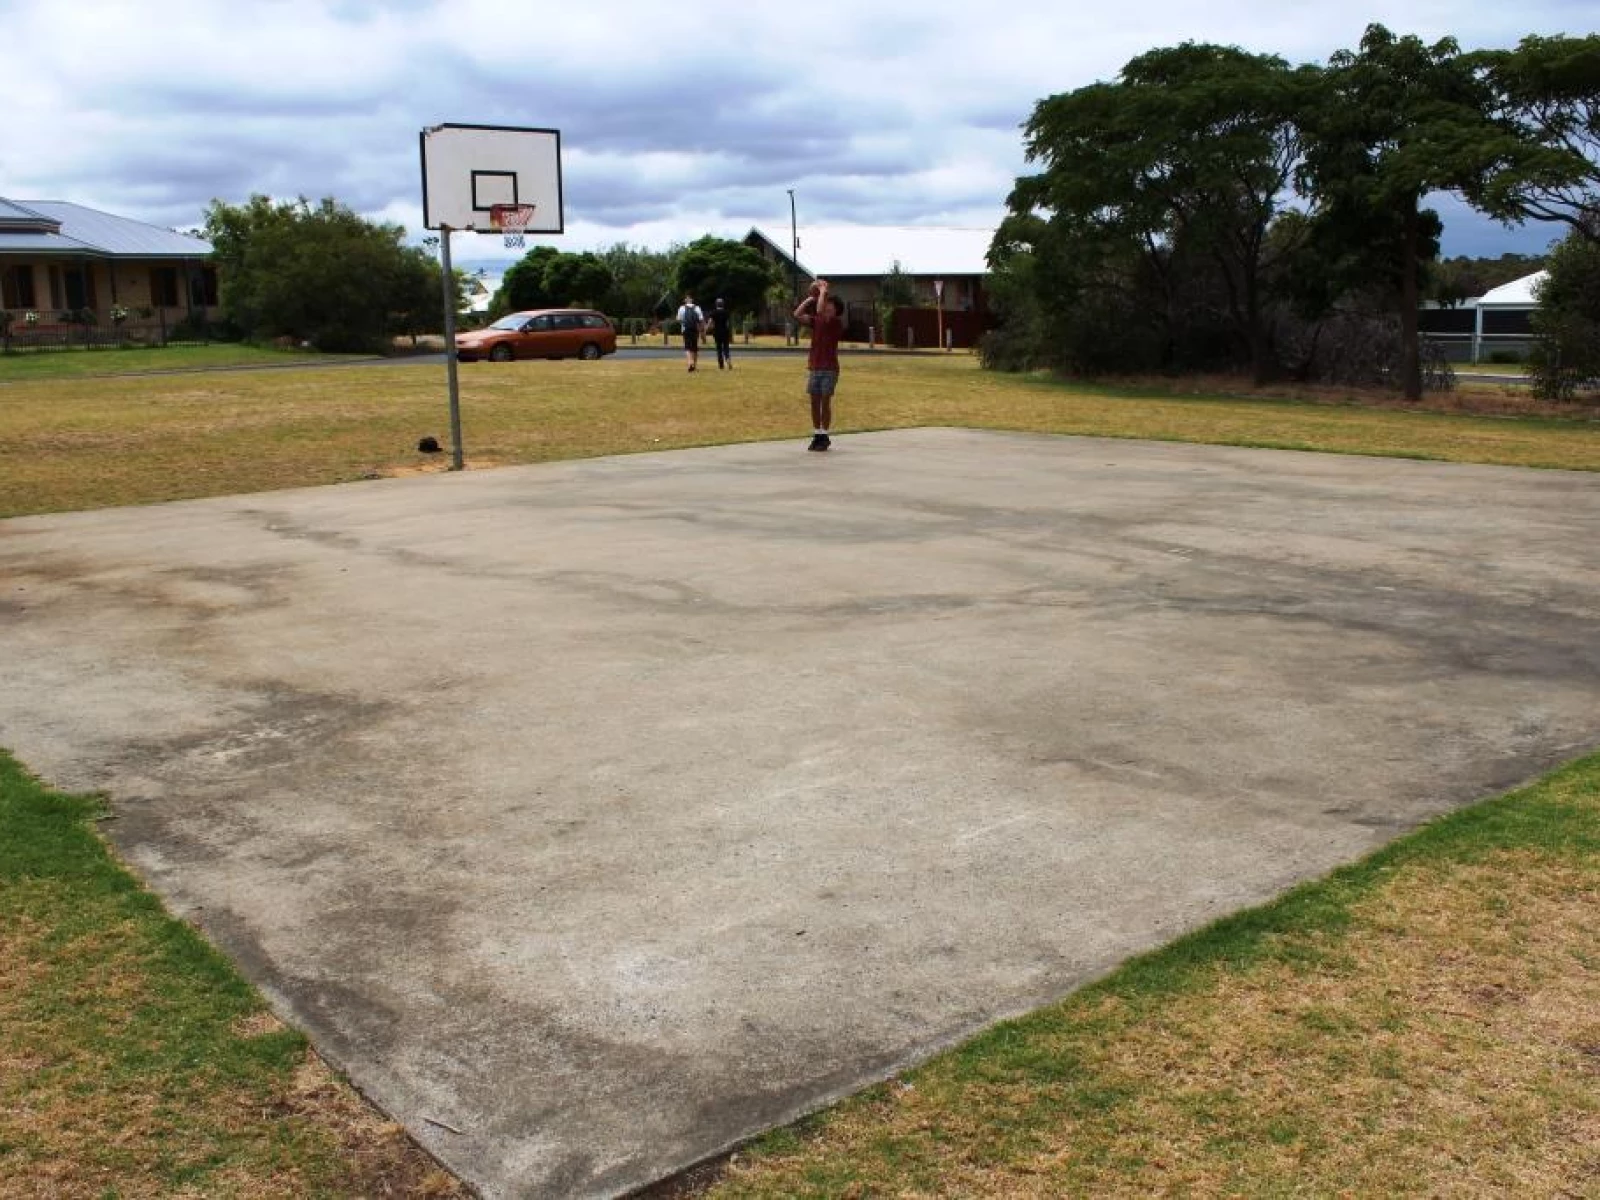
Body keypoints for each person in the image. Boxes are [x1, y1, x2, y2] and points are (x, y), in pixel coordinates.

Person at [793, 278, 844, 451]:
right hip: (815, 367)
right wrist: (810, 298)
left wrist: (822, 290)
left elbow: (820, 309)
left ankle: (825, 434)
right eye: (826, 304)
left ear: (836, 311)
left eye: (831, 306)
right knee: (814, 402)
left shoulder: (836, 323)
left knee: (825, 402)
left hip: (829, 369)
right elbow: (797, 314)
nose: (826, 307)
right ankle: (817, 434)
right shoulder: (817, 321)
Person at [676, 294, 705, 372]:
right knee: (695, 348)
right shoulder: (697, 308)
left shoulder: (681, 308)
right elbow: (701, 319)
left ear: (685, 300)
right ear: (692, 300)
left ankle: (690, 363)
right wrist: (702, 330)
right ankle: (694, 366)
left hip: (686, 329)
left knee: (688, 347)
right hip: (695, 329)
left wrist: (684, 322)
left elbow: (678, 319)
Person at [707, 297, 734, 369]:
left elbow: (710, 322)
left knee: (719, 348)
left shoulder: (713, 312)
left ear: (716, 304)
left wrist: (708, 328)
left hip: (717, 332)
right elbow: (728, 323)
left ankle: (721, 364)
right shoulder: (726, 312)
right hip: (725, 332)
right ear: (723, 304)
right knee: (726, 348)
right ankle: (728, 359)